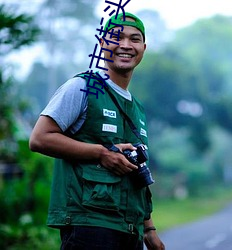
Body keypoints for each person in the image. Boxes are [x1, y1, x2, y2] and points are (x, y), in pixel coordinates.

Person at [29, 12, 165, 250]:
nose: (125, 45)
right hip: (89, 225)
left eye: (134, 39)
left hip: (130, 229)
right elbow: (40, 138)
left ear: (143, 47)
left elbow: (136, 170)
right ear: (102, 43)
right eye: (116, 37)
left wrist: (149, 228)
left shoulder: (138, 108)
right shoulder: (82, 87)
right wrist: (102, 153)